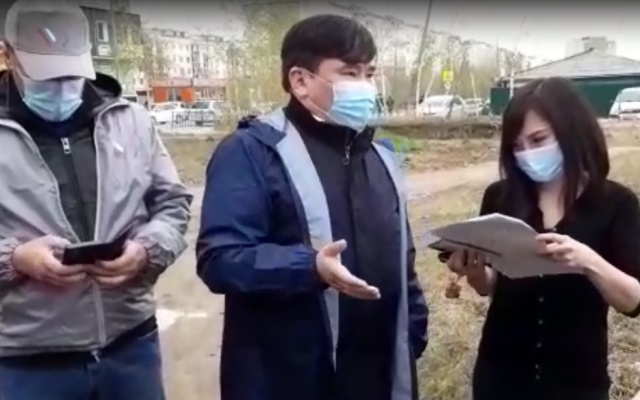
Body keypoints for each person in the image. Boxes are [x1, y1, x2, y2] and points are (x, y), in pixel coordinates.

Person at [196, 14, 428, 400]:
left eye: (369, 74)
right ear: (300, 80)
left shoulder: (381, 158)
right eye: (350, 73)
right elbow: (220, 259)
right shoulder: (252, 152)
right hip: (289, 380)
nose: (365, 87)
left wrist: (413, 329)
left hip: (378, 377)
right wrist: (309, 267)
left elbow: (403, 259)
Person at [0, 1, 192, 399]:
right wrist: (15, 258)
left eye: (71, 74)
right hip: (24, 361)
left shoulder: (131, 121)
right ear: (8, 56)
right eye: (46, 74)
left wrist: (146, 250)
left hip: (131, 347)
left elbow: (172, 204)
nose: (61, 86)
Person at [446, 77, 640, 400]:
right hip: (500, 376)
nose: (527, 154)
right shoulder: (500, 198)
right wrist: (477, 273)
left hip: (578, 382)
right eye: (517, 146)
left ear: (571, 132)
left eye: (538, 140)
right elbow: (490, 286)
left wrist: (587, 262)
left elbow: (633, 301)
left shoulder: (616, 204)